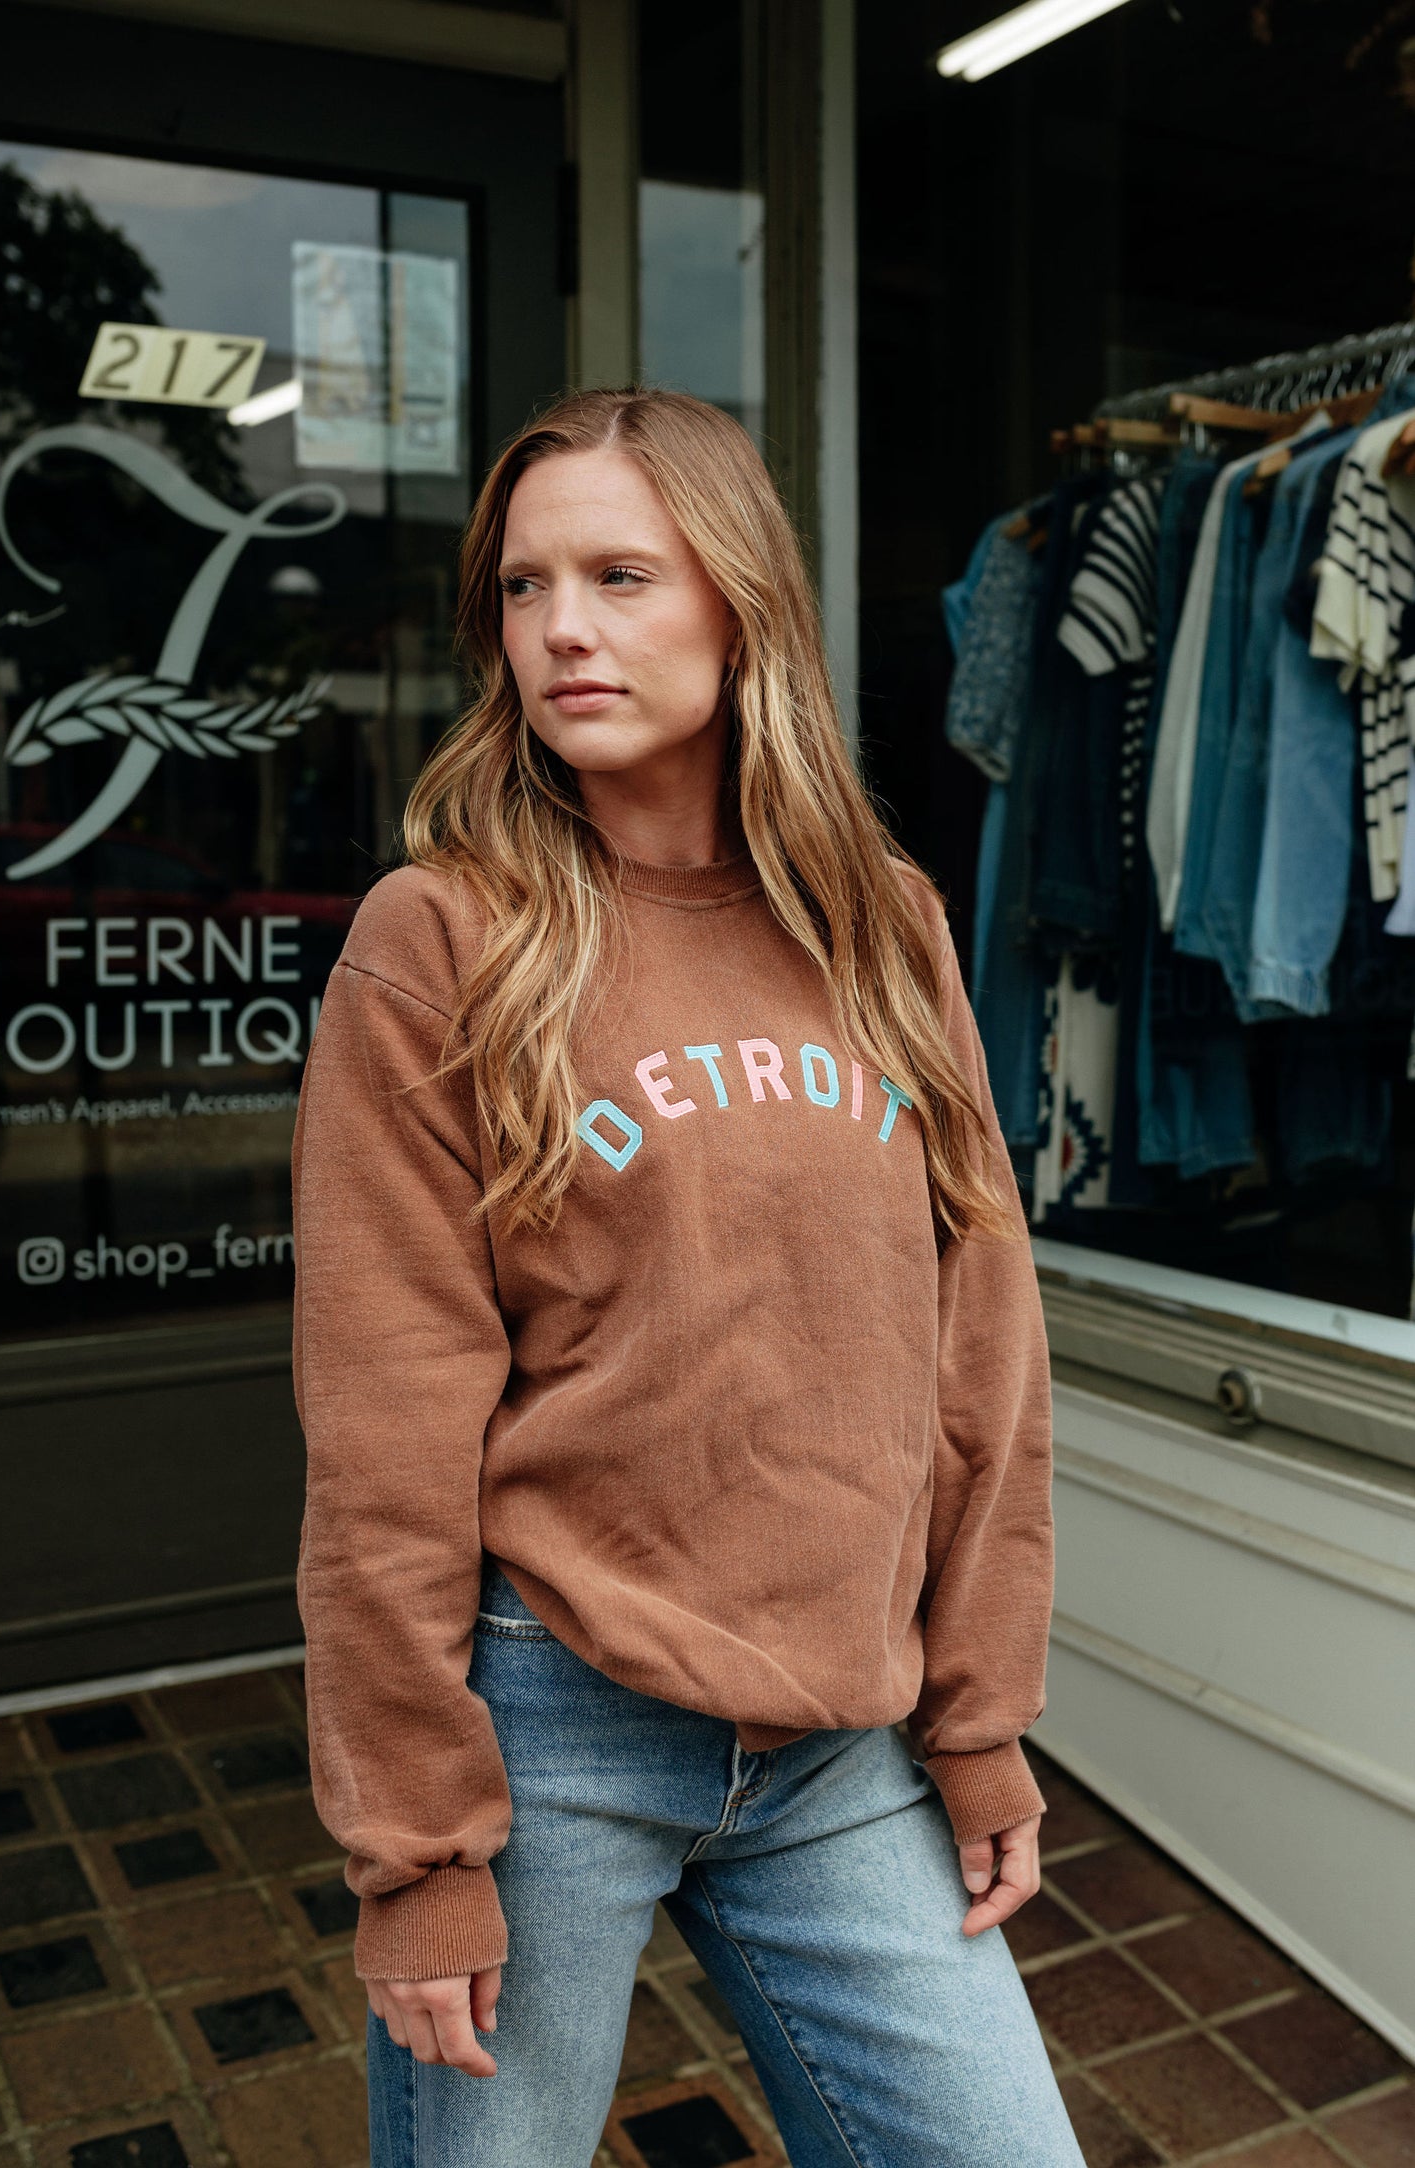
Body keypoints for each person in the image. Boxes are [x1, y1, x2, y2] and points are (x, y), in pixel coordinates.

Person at [291, 387, 1085, 2166]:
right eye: (522, 586)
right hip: (553, 1728)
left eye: (621, 575)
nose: (561, 628)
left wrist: (983, 1716)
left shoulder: (881, 919)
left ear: (740, 602)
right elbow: (387, 1427)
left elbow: (978, 1345)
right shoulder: (441, 941)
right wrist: (420, 1851)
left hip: (837, 1737)